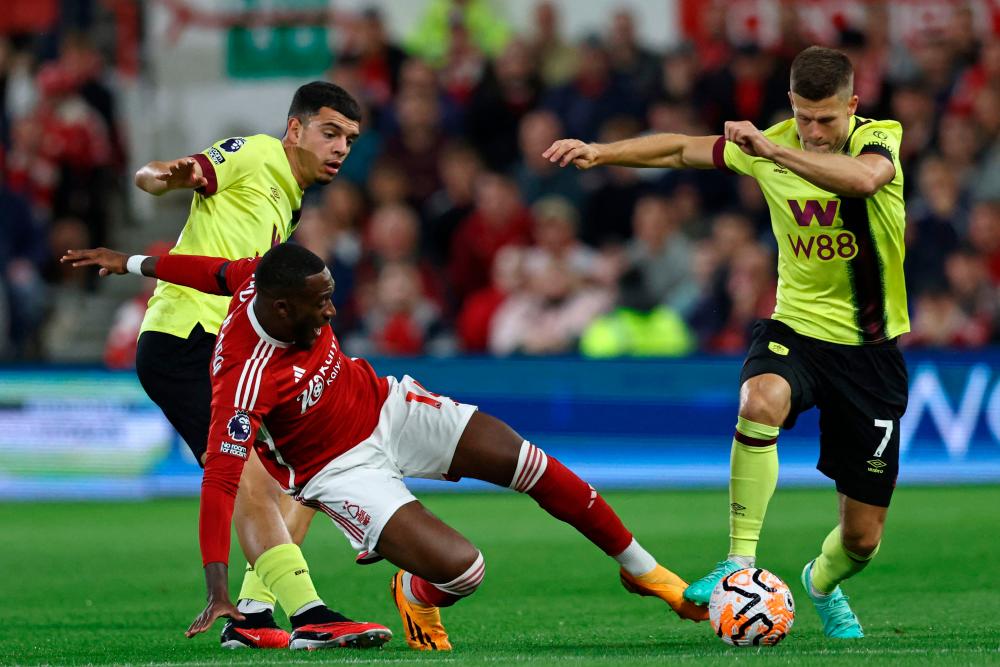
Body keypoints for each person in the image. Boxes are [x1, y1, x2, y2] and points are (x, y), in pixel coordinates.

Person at [63, 242, 709, 651]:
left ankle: (646, 570)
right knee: (466, 571)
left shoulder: (264, 277)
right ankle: (415, 592)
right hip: (339, 471)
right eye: (322, 304)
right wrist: (216, 585)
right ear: (282, 309)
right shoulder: (243, 378)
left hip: (386, 404)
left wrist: (129, 263)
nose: (334, 313)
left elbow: (207, 270)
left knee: (531, 463)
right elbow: (221, 483)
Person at [544, 46, 908, 639]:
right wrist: (602, 152)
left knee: (863, 538)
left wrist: (771, 149)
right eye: (805, 117)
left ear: (853, 106)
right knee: (759, 398)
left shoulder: (878, 138)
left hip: (870, 352)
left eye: (828, 120)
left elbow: (865, 181)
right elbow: (681, 149)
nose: (815, 132)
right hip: (795, 328)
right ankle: (738, 561)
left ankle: (821, 581)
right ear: (791, 103)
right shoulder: (773, 141)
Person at [131, 81, 377, 648]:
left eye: (350, 139)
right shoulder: (258, 153)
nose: (341, 148)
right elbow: (182, 173)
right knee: (251, 479)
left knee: (300, 473)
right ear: (294, 130)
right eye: (329, 132)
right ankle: (310, 614)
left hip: (234, 355)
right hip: (187, 337)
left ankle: (253, 614)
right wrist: (157, 177)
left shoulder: (287, 196)